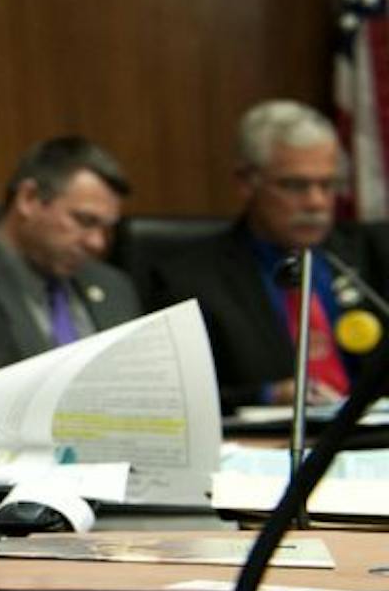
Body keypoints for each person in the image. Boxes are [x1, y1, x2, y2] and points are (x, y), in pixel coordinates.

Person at [143, 100, 389, 408]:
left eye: (328, 185)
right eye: (295, 185)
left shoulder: (376, 253)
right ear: (246, 183)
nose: (316, 202)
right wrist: (268, 396)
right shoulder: (189, 281)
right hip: (266, 445)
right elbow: (174, 400)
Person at [0, 136, 142, 370]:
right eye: (84, 221)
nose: (97, 242)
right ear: (28, 199)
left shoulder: (114, 287)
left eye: (107, 228)